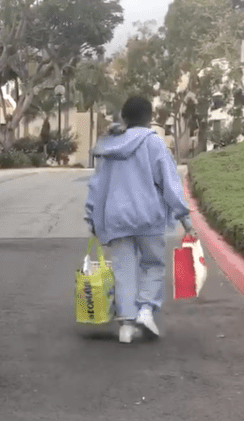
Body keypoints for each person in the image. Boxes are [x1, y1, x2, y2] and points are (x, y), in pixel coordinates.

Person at [84, 96, 197, 344]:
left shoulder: (109, 146)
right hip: (149, 217)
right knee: (153, 264)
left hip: (116, 218)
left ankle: (126, 325)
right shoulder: (154, 144)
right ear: (148, 118)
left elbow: (97, 185)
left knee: (124, 271)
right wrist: (184, 218)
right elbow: (170, 183)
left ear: (124, 118)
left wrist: (91, 215)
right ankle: (145, 311)